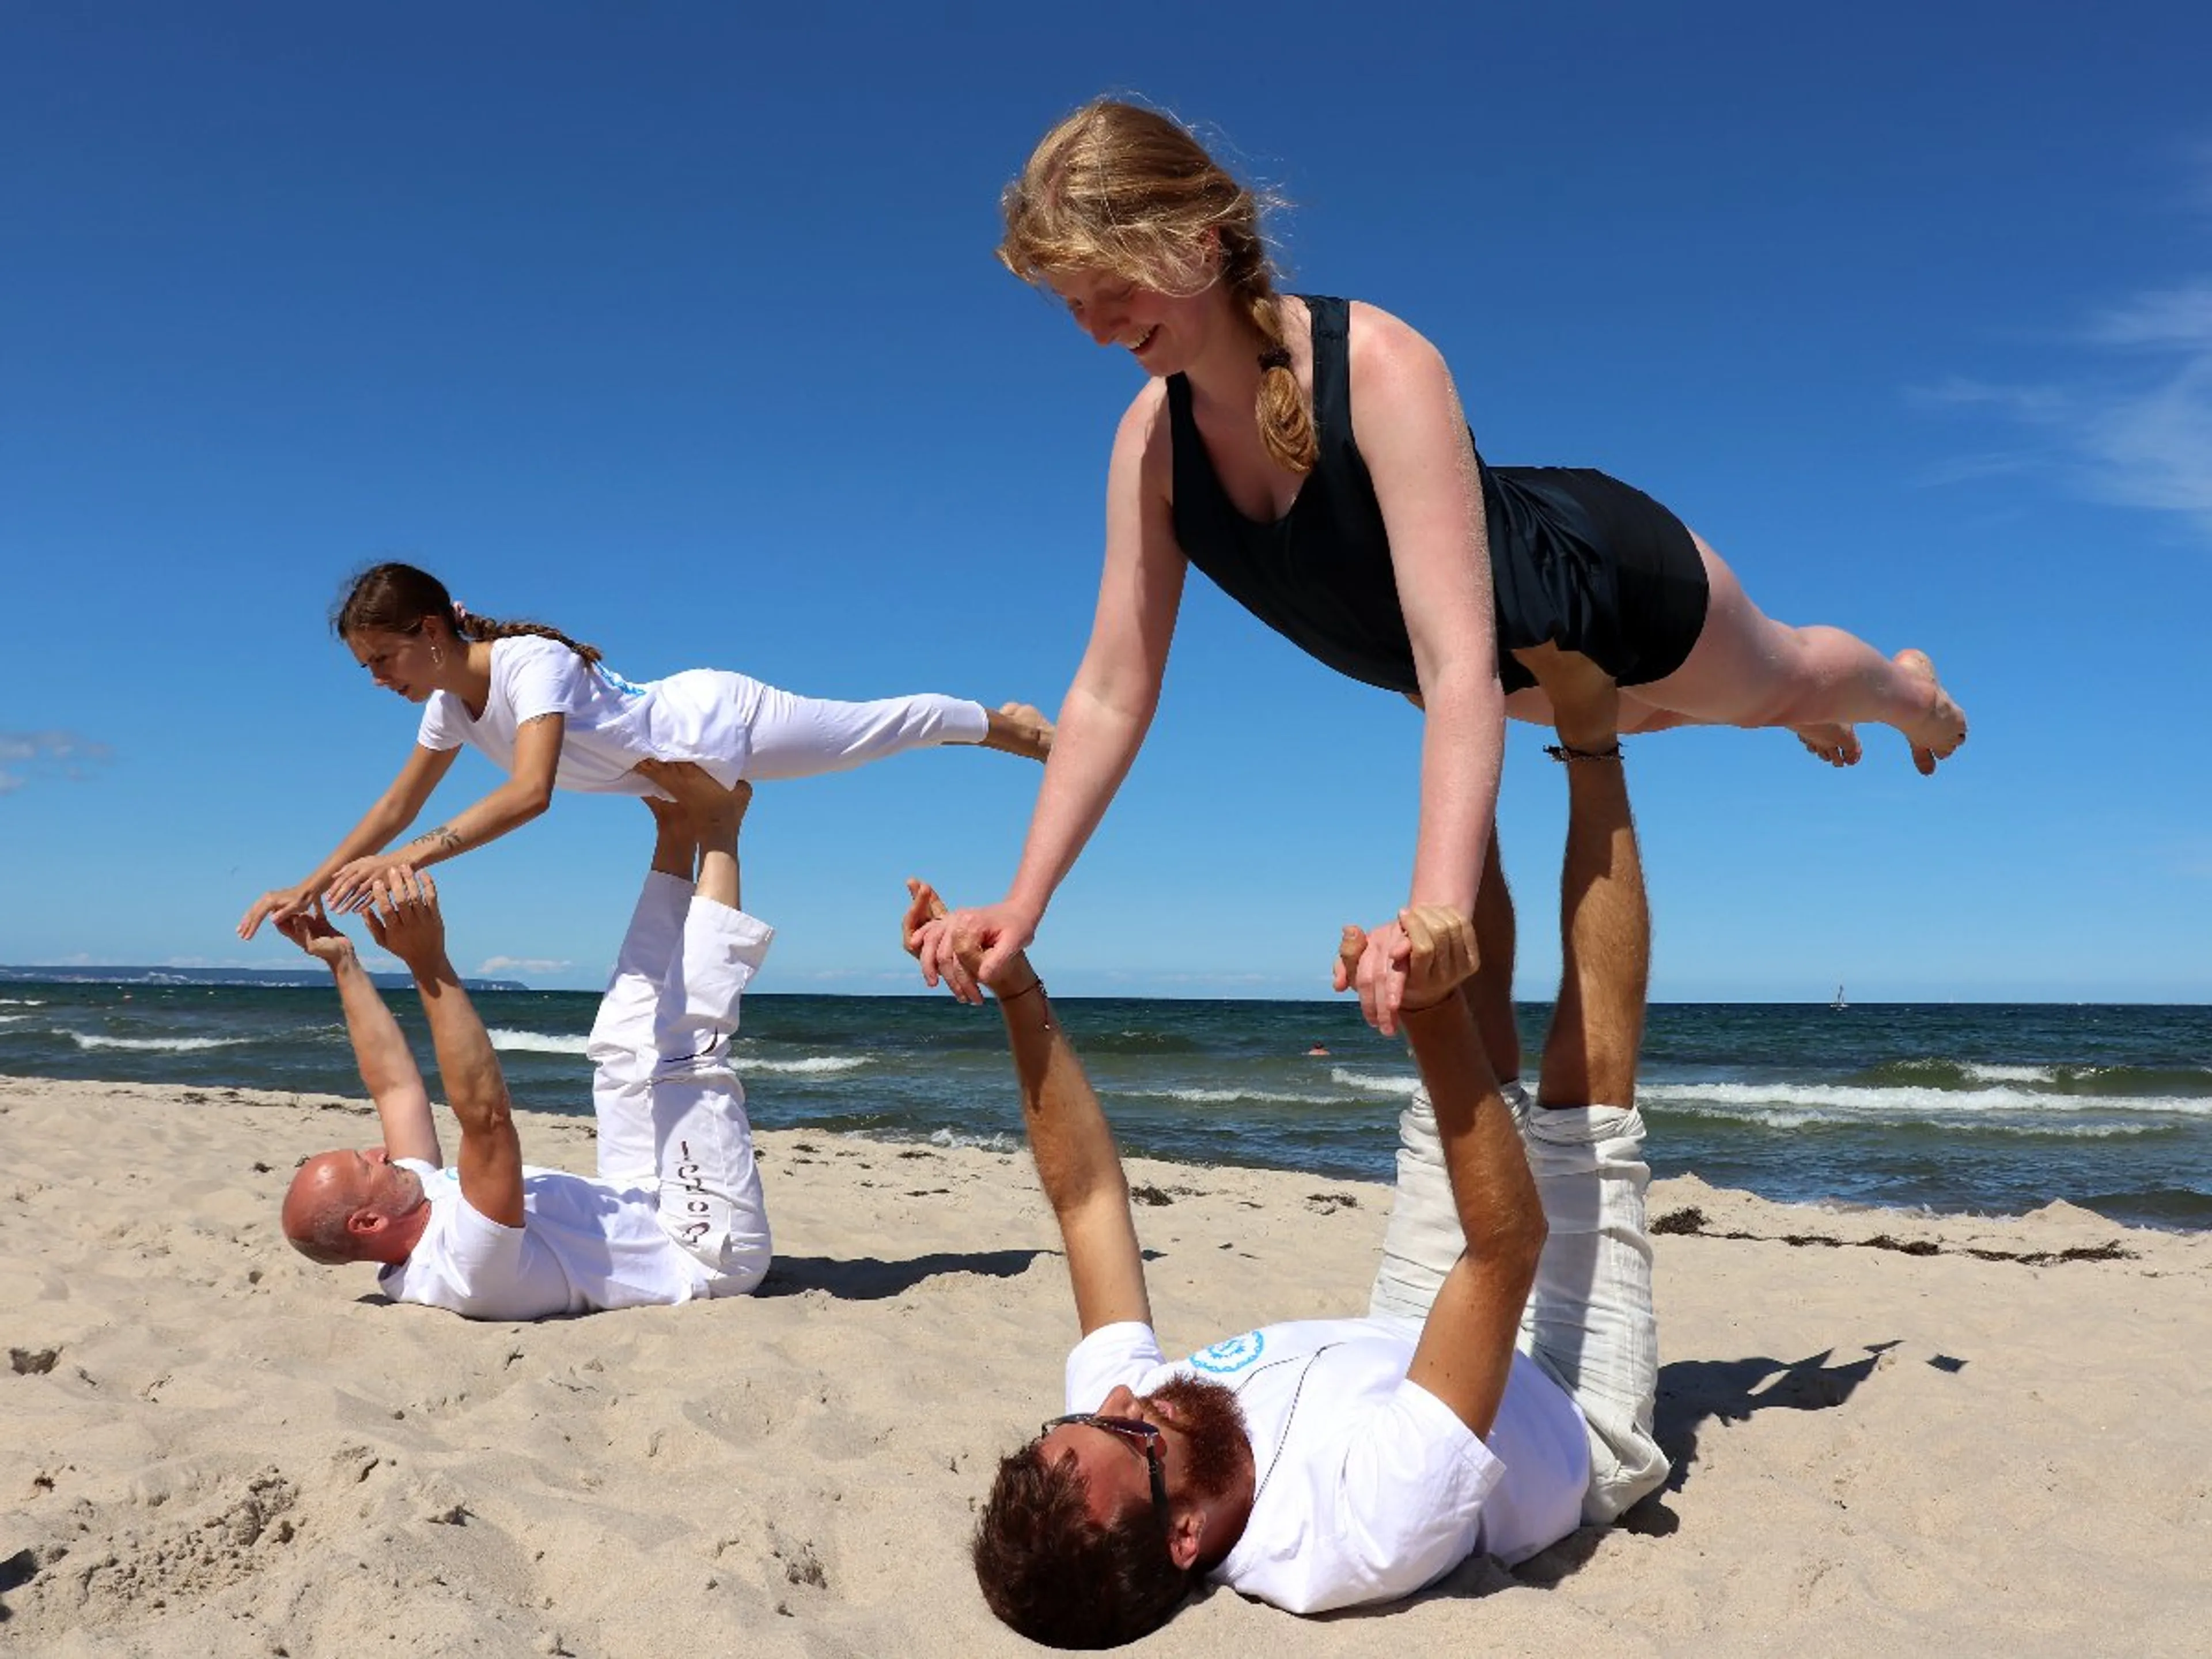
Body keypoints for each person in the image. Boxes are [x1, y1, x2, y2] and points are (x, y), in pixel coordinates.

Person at [927, 97, 1967, 1039]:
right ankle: (1785, 715)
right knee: (1660, 719)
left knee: (1777, 681)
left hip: (1596, 584)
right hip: (1508, 679)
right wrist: (1023, 903)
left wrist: (1435, 912)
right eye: (1073, 304)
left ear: (1199, 240)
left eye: (1113, 289)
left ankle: (1912, 697)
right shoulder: (1150, 446)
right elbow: (1112, 691)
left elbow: (1453, 659)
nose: (1098, 331)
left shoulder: (1378, 365)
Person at [905, 671, 1666, 1645]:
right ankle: (1592, 738)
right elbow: (1508, 1247)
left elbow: (1087, 1199)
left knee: (1469, 1005)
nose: (1125, 1397)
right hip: (1562, 1404)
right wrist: (1426, 1015)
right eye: (1130, 1429)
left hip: (1406, 1329)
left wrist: (1017, 992)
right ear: (1185, 1534)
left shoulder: (1114, 1438)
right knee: (1581, 1094)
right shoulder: (1350, 1531)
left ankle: (1475, 710)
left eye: (1084, 1417)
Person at [237, 562, 1054, 938]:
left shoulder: (529, 664)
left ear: (428, 631)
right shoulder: (449, 707)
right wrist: (309, 884)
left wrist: (408, 858)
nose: (377, 679)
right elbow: (397, 804)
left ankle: (1013, 726)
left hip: (718, 718)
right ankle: (1000, 723)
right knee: (871, 740)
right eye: (366, 667)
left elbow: (530, 793)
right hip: (676, 778)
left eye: (382, 659)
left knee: (878, 731)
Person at [276, 777, 774, 1319]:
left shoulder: (414, 1198)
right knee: (685, 1047)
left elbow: (395, 1088)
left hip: (634, 1194)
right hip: (700, 1251)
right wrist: (428, 962)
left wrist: (343, 963)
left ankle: (675, 829)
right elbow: (486, 1117)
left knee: (621, 1043)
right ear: (369, 1223)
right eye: (366, 1165)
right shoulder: (465, 1269)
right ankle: (721, 828)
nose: (380, 1152)